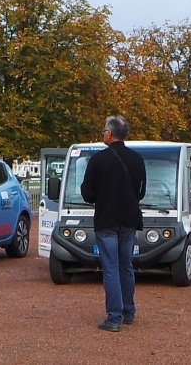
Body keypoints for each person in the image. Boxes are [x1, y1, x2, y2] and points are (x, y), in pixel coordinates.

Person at [81, 116, 147, 332]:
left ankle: (114, 317)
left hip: (106, 219)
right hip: (129, 219)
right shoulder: (137, 159)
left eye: (104, 131)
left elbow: (88, 194)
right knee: (126, 266)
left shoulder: (98, 160)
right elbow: (141, 192)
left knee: (110, 268)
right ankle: (129, 311)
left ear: (109, 134)